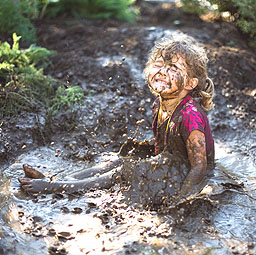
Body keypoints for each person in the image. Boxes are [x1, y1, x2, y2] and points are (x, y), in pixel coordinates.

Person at [18, 37, 215, 198]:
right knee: (118, 161)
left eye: (173, 68)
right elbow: (161, 148)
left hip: (187, 173)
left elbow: (199, 167)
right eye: (159, 64)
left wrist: (182, 199)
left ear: (190, 83)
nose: (163, 72)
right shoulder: (159, 104)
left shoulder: (190, 115)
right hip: (169, 162)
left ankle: (54, 188)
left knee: (122, 173)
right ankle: (55, 180)